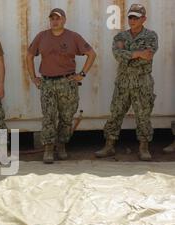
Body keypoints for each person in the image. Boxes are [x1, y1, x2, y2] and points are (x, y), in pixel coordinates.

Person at [27, 8, 96, 164]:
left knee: (66, 117)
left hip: (67, 83)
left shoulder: (73, 37)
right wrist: (33, 78)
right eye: (52, 18)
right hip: (47, 83)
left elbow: (92, 54)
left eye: (58, 18)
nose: (54, 21)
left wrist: (82, 74)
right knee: (49, 117)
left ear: (64, 20)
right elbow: (29, 55)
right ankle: (49, 149)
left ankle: (62, 145)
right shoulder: (42, 37)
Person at [95, 4, 158, 161]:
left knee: (143, 115)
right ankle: (109, 146)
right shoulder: (120, 37)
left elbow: (148, 56)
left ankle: (143, 148)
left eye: (136, 17)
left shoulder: (151, 36)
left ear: (144, 18)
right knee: (116, 113)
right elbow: (118, 55)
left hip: (142, 81)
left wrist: (128, 54)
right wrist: (138, 53)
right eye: (130, 17)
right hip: (123, 82)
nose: (132, 20)